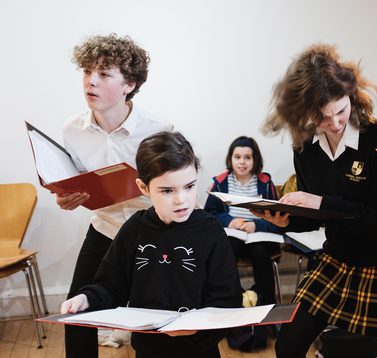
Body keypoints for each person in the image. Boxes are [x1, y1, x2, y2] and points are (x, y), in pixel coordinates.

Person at [259, 44, 377, 358]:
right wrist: (288, 219)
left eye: (340, 110)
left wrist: (321, 202)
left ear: (352, 95)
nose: (335, 123)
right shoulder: (305, 149)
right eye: (321, 118)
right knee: (289, 344)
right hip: (338, 258)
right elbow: (317, 215)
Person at [60, 131, 243, 358]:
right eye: (167, 191)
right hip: (148, 351)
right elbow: (111, 285)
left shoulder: (210, 231)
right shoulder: (134, 230)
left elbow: (228, 298)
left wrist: (198, 330)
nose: (181, 200)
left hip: (200, 351)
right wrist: (86, 298)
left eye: (189, 186)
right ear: (143, 188)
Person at [57, 34, 173, 357]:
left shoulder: (159, 129)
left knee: (156, 322)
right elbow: (75, 185)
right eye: (87, 72)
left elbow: (176, 190)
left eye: (104, 74)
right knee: (76, 314)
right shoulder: (71, 130)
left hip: (153, 232)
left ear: (129, 85)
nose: (90, 82)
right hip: (105, 227)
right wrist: (66, 198)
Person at [204, 136, 280, 306]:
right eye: (237, 157)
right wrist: (230, 221)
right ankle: (232, 299)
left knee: (260, 253)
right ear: (230, 159)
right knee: (228, 250)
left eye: (247, 157)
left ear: (255, 159)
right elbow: (210, 213)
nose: (242, 162)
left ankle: (266, 302)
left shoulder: (265, 183)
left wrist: (256, 224)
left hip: (259, 237)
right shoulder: (221, 182)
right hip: (234, 235)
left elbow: (279, 218)